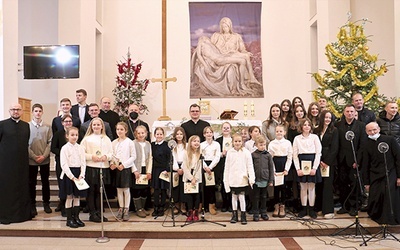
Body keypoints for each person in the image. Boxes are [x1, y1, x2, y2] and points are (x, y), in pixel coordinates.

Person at [362, 122, 400, 225]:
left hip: (391, 172)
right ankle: (378, 216)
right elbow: (365, 164)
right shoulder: (366, 144)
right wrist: (366, 182)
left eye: (374, 129)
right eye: (369, 131)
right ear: (366, 132)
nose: (372, 132)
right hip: (375, 174)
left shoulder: (390, 140)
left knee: (389, 195)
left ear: (379, 129)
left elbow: (398, 158)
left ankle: (391, 218)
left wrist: (399, 176)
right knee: (376, 195)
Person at [0, 103, 32, 224]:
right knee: (7, 189)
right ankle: (6, 215)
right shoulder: (2, 125)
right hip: (6, 164)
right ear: (9, 111)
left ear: (22, 111)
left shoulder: (26, 126)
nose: (16, 111)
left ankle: (22, 215)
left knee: (22, 187)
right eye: (13, 109)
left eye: (18, 109)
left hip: (22, 164)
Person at [335, 104, 367, 216]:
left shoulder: (361, 126)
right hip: (341, 160)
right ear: (344, 113)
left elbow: (362, 145)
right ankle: (345, 205)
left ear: (355, 113)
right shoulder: (338, 125)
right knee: (342, 183)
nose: (349, 113)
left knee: (354, 184)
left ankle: (354, 206)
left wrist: (358, 160)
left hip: (354, 160)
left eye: (351, 111)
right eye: (347, 111)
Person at [80, 117, 113, 222]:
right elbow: (81, 153)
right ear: (91, 126)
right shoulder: (86, 139)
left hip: (103, 167)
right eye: (94, 125)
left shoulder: (106, 139)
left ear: (102, 126)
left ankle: (99, 212)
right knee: (91, 191)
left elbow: (111, 153)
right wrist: (91, 157)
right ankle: (92, 213)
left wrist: (106, 157)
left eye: (98, 124)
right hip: (91, 167)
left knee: (100, 191)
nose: (96, 126)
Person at [293, 118, 322, 219]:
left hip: (312, 162)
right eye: (304, 125)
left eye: (308, 125)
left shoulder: (314, 137)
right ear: (301, 127)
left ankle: (311, 208)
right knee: (303, 187)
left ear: (311, 127)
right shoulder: (297, 138)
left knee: (312, 187)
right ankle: (304, 208)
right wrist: (298, 169)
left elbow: (318, 153)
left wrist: (314, 168)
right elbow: (295, 155)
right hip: (301, 163)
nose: (306, 126)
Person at [224, 133, 255, 225]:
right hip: (232, 179)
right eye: (235, 141)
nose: (237, 143)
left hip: (242, 179)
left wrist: (251, 178)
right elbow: (227, 168)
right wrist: (226, 181)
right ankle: (234, 215)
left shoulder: (246, 152)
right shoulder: (230, 152)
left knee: (241, 197)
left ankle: (243, 215)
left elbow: (250, 166)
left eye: (239, 141)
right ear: (232, 142)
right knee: (234, 197)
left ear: (242, 142)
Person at [28, 103, 53, 216]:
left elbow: (50, 142)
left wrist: (44, 155)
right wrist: (33, 156)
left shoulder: (47, 127)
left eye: (40, 111)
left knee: (45, 182)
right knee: (31, 183)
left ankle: (46, 203)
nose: (38, 113)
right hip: (31, 160)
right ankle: (32, 205)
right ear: (32, 112)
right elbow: (25, 144)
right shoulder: (27, 126)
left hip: (45, 159)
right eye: (36, 111)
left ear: (42, 112)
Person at [59, 127, 87, 228]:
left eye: (76, 135)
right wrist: (72, 177)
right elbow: (64, 164)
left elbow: (83, 162)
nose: (74, 137)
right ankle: (69, 219)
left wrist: (82, 174)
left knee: (77, 196)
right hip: (69, 174)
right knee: (69, 196)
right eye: (72, 135)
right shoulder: (64, 148)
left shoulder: (80, 148)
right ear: (67, 136)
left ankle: (76, 217)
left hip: (78, 174)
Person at [314, 110, 339, 219]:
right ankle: (319, 208)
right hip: (318, 160)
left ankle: (328, 210)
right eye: (326, 117)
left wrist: (327, 162)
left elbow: (335, 148)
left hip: (329, 162)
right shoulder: (316, 130)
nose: (327, 119)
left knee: (328, 186)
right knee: (319, 185)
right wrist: (318, 160)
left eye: (329, 117)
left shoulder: (334, 130)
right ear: (322, 118)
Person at [111, 122, 136, 221]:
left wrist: (124, 165)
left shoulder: (130, 142)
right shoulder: (114, 142)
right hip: (117, 169)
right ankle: (120, 208)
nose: (119, 131)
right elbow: (111, 155)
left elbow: (133, 156)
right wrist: (112, 164)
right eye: (118, 129)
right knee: (119, 190)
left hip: (125, 168)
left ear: (126, 131)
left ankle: (126, 209)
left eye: (121, 129)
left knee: (126, 190)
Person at [51, 115, 74, 217]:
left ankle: (71, 205)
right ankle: (63, 204)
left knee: (70, 183)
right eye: (66, 121)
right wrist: (64, 153)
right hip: (61, 162)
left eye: (70, 121)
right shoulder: (58, 134)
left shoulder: (74, 133)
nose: (68, 123)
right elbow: (53, 148)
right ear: (62, 123)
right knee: (62, 183)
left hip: (73, 163)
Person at [268, 125, 293, 218]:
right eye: (277, 131)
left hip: (284, 165)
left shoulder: (287, 143)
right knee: (276, 188)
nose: (279, 133)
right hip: (276, 165)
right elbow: (270, 158)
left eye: (281, 131)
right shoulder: (271, 144)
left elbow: (290, 157)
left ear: (284, 132)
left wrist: (286, 169)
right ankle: (276, 206)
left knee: (284, 187)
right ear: (275, 132)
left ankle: (282, 206)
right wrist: (273, 170)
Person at [251, 135, 274, 221]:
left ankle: (263, 212)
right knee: (256, 197)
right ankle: (256, 213)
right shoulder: (253, 155)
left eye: (264, 144)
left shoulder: (268, 155)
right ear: (256, 145)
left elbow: (271, 168)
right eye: (261, 145)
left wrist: (271, 180)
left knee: (264, 196)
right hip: (256, 179)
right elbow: (251, 167)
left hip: (265, 179)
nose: (263, 146)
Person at [131, 125, 152, 218]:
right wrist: (134, 170)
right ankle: (138, 209)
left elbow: (150, 158)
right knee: (137, 189)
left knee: (144, 189)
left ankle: (142, 208)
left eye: (142, 133)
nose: (141, 135)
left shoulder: (148, 144)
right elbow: (131, 158)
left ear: (146, 133)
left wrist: (149, 171)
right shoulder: (133, 143)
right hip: (137, 169)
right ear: (135, 134)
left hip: (145, 169)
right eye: (138, 133)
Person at [200, 126, 221, 215]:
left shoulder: (216, 144)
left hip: (213, 166)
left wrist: (210, 167)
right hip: (204, 166)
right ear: (204, 134)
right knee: (203, 187)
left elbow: (217, 157)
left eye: (210, 132)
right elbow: (199, 157)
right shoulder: (201, 144)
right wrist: (205, 167)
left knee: (211, 187)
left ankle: (211, 205)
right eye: (207, 133)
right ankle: (202, 205)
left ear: (213, 134)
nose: (209, 134)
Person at [151, 127, 171, 217]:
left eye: (161, 134)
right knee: (156, 189)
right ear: (154, 135)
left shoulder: (167, 145)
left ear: (164, 135)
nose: (159, 136)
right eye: (157, 134)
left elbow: (169, 158)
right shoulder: (152, 145)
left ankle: (162, 207)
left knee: (163, 189)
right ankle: (155, 207)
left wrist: (167, 169)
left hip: (164, 170)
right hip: (155, 169)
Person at [182, 135, 202, 222]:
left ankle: (196, 212)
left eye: (198, 141)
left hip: (197, 178)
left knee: (197, 196)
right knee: (189, 196)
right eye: (194, 141)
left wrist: (195, 178)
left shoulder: (200, 154)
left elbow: (200, 167)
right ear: (190, 143)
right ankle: (190, 212)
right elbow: (185, 167)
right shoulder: (185, 153)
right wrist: (190, 178)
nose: (196, 143)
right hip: (188, 177)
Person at [216, 122, 233, 212]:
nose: (226, 129)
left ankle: (231, 204)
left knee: (231, 184)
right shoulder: (218, 140)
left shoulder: (234, 139)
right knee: (223, 184)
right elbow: (214, 153)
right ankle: (224, 203)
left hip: (232, 164)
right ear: (221, 129)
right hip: (222, 163)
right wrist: (221, 154)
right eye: (224, 128)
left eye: (227, 128)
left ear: (230, 129)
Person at [171, 127, 187, 214]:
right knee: (176, 187)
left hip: (184, 167)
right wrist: (177, 168)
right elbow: (172, 157)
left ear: (183, 135)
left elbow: (188, 158)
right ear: (175, 135)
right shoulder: (173, 145)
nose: (179, 136)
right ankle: (176, 205)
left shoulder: (187, 145)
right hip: (175, 167)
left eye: (181, 134)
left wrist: (183, 168)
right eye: (177, 134)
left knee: (183, 186)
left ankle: (183, 205)